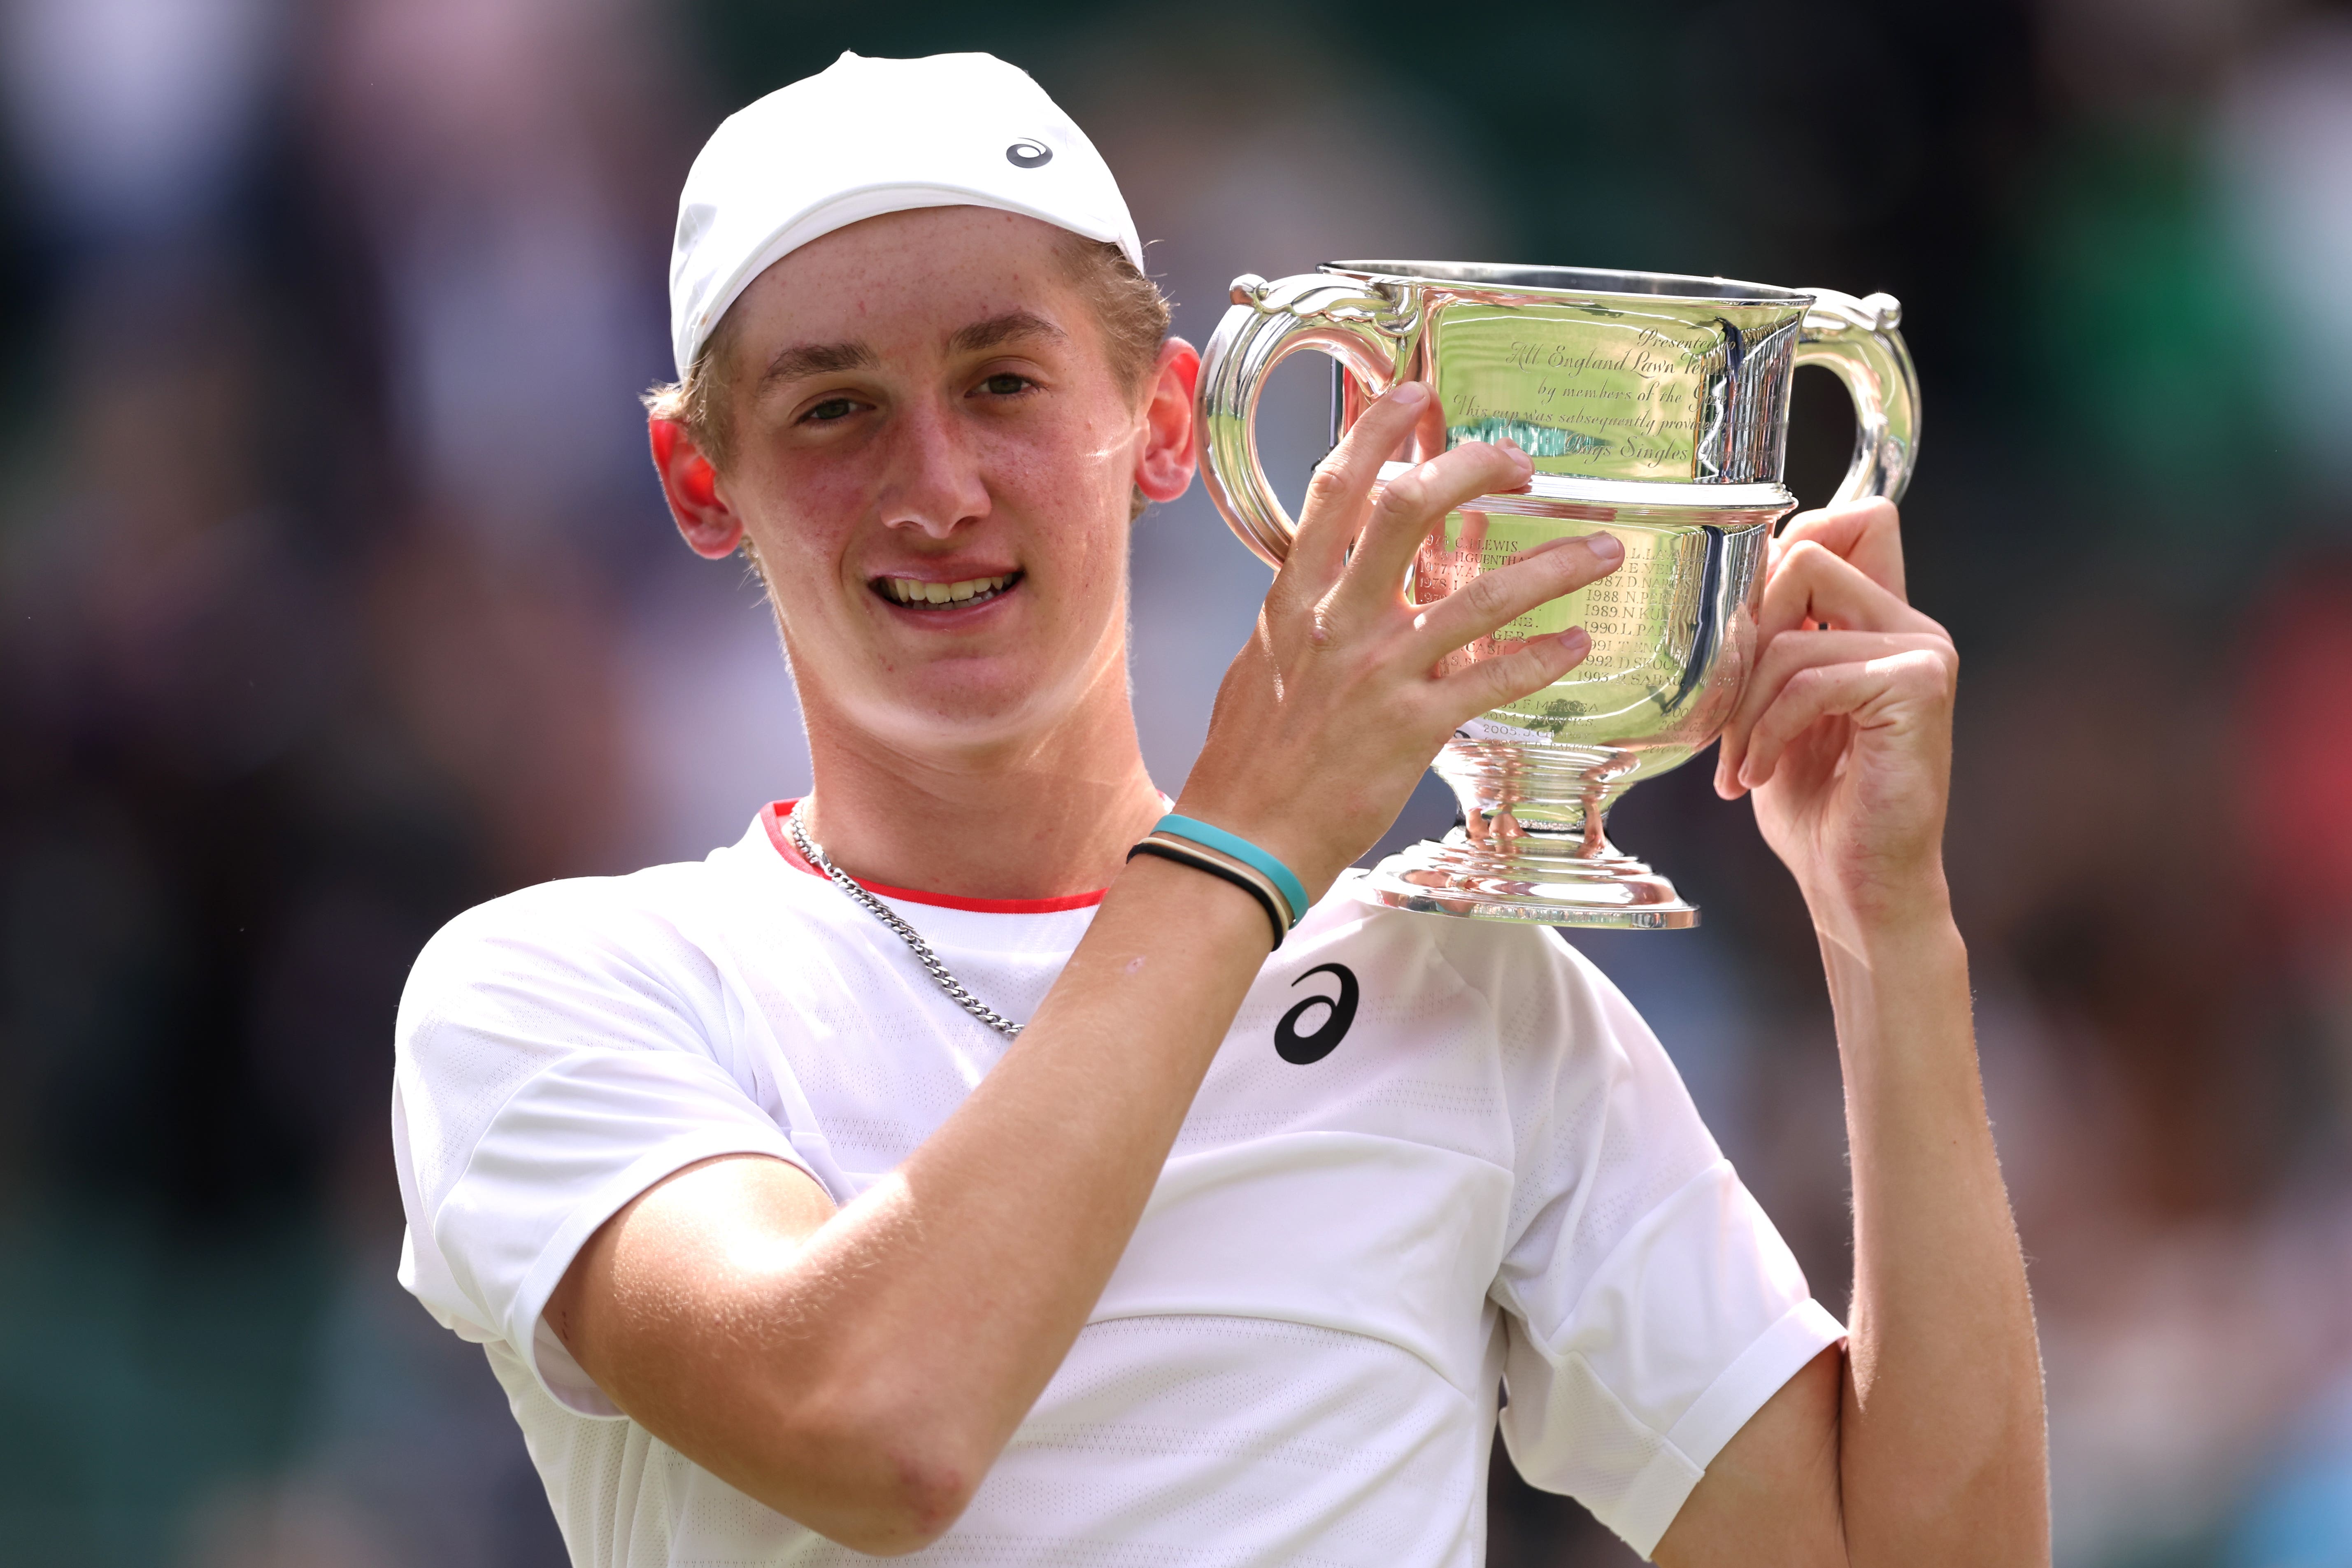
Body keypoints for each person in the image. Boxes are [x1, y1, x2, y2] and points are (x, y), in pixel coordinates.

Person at [391, 50, 2047, 1568]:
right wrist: (1249, 837)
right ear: (701, 481)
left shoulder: (1464, 990)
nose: (939, 485)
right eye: (835, 409)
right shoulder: (562, 988)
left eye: (1003, 383)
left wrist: (1887, 925)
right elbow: (874, 1426)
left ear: (1164, 424)